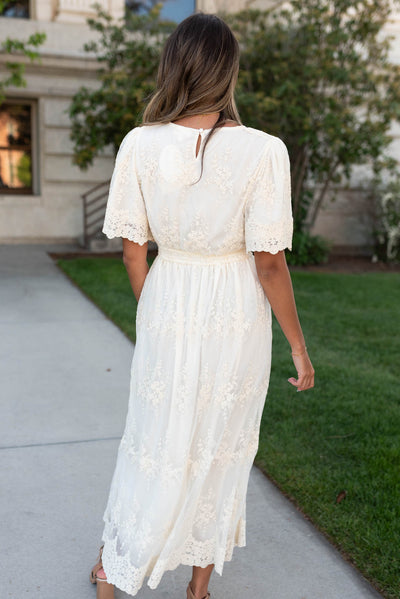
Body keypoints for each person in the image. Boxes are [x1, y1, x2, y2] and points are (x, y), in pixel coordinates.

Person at [89, 11, 315, 599]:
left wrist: (156, 316)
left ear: (174, 66)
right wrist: (297, 345)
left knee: (153, 436)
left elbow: (133, 255)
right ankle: (197, 587)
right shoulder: (264, 151)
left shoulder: (139, 143)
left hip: (169, 297)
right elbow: (269, 264)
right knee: (219, 442)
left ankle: (115, 570)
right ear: (228, 72)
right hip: (236, 312)